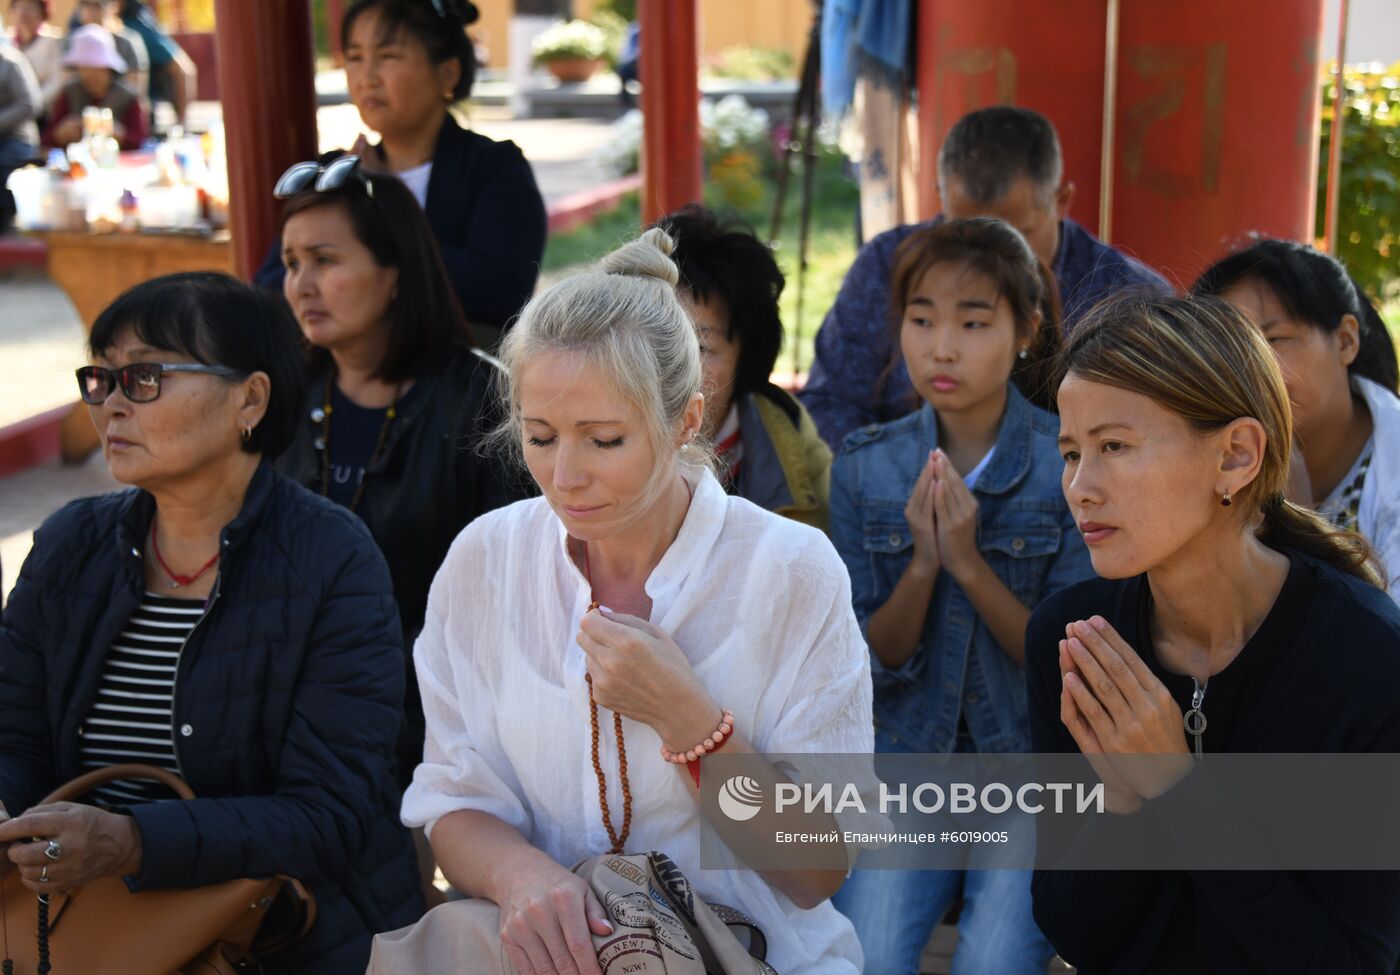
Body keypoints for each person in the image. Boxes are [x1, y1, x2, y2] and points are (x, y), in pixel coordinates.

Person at [399, 229, 874, 973]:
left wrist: (693, 723)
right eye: (541, 435)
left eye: (604, 439)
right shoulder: (485, 561)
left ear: (686, 419)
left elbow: (818, 868)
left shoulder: (789, 571)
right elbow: (456, 801)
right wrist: (523, 877)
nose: (564, 475)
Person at [0, 272, 422, 973]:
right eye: (99, 379)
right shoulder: (70, 544)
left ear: (249, 398)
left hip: (287, 939)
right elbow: (15, 737)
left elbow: (330, 816)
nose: (110, 405)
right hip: (88, 929)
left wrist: (134, 839)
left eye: (142, 377)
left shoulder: (333, 560)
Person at [1027, 292, 1400, 972]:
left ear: (1235, 456)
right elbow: (1072, 930)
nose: (1080, 486)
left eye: (1114, 446)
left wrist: (1178, 786)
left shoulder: (1371, 661)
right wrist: (1119, 802)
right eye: (1072, 452)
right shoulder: (1075, 639)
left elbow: (1351, 961)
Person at [827, 217, 1092, 974]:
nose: (941, 347)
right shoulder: (865, 468)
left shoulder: (1069, 465)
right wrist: (921, 566)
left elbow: (1064, 656)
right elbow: (870, 658)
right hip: (910, 760)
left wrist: (970, 564)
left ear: (1027, 330)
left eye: (974, 323)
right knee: (865, 955)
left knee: (994, 960)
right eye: (921, 320)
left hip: (1033, 767)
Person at [274, 155, 522, 788]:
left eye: (325, 261)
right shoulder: (278, 393)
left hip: (433, 714)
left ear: (395, 273)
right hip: (291, 707)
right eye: (291, 263)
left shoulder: (481, 398)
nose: (301, 284)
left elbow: (508, 590)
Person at [802, 105, 1173, 449]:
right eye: (963, 230)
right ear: (940, 198)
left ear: (1061, 202)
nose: (990, 258)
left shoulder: (1129, 296)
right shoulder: (888, 263)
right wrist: (892, 482)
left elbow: (1153, 439)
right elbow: (831, 403)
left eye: (1016, 235)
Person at [254, 0, 547, 346]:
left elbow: (500, 292)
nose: (366, 77)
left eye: (389, 56)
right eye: (355, 57)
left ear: (448, 73)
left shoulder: (493, 169)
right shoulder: (334, 172)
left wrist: (388, 202)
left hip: (457, 387)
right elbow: (269, 290)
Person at [1193, 237, 1400, 597]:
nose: (1250, 372)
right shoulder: (1206, 459)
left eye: (1273, 340)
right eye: (1228, 350)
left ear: (1346, 340)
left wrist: (1299, 529)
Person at [655, 204, 832, 529]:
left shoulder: (786, 429)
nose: (669, 365)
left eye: (700, 347)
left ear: (746, 359)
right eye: (654, 339)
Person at [45, 24, 147, 150]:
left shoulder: (128, 96)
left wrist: (121, 135)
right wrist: (60, 134)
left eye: (97, 68)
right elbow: (47, 138)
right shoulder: (70, 93)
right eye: (86, 68)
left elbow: (141, 140)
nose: (91, 75)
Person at [116, 0, 193, 131]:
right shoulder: (80, 22)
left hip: (133, 119)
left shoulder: (136, 24)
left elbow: (183, 69)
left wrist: (180, 124)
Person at [72, 0, 149, 110]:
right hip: (80, 113)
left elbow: (135, 90)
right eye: (85, 5)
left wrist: (102, 117)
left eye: (97, 6)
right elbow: (71, 89)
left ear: (114, 7)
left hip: (122, 114)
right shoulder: (72, 41)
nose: (90, 11)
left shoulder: (129, 42)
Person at [0, 30, 40, 231]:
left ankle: (8, 231)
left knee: (4, 170)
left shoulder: (11, 62)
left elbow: (30, 105)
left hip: (16, 138)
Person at [7, 0, 61, 114]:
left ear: (42, 13)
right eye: (19, 6)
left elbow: (55, 82)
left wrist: (32, 104)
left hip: (41, 112)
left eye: (30, 8)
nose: (23, 13)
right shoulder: (5, 41)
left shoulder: (52, 42)